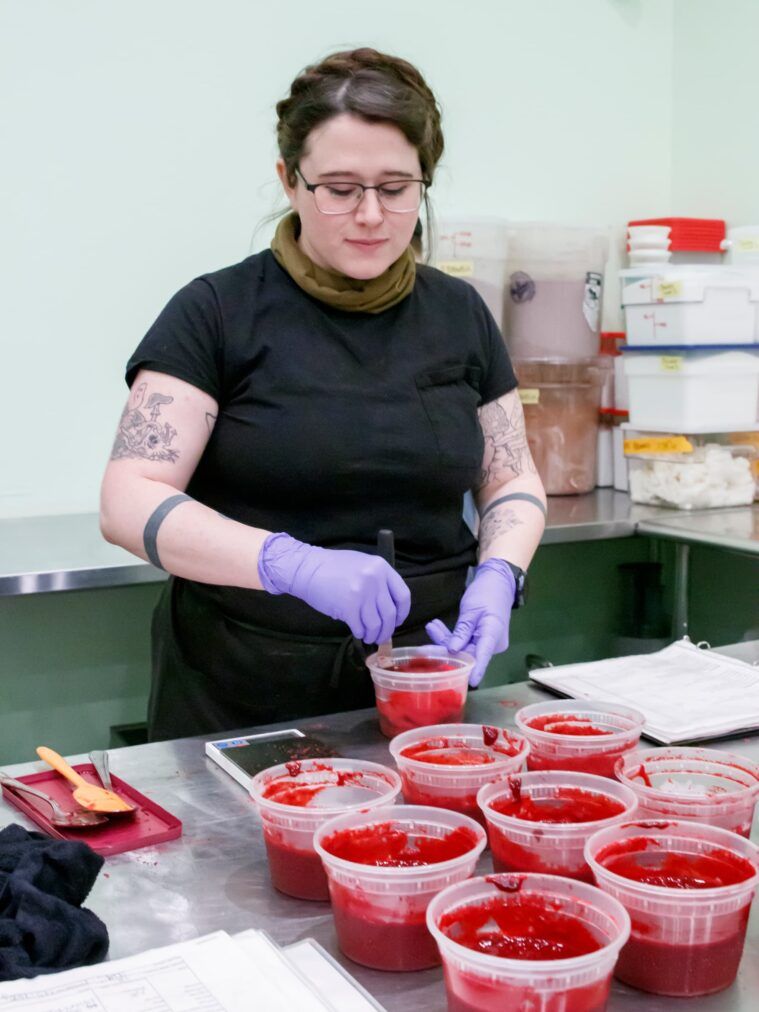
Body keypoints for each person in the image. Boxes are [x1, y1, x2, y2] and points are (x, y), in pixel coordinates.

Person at [100, 47, 547, 742]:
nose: (370, 214)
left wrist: (499, 571)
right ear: (289, 179)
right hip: (245, 691)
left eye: (396, 188)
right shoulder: (216, 311)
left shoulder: (458, 313)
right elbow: (129, 499)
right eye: (339, 189)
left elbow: (509, 474)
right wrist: (291, 564)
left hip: (427, 684)